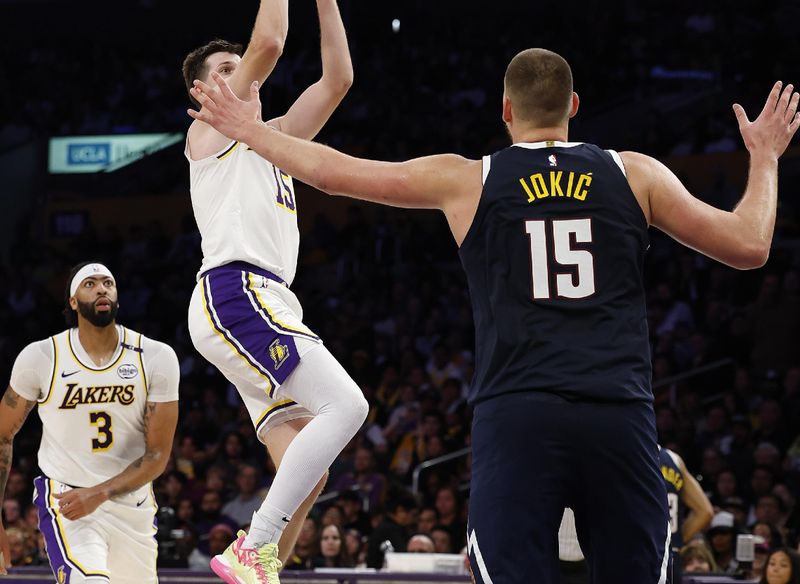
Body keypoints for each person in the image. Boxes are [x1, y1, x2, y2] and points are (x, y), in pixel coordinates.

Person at [188, 47, 800, 583]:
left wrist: (253, 131)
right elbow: (749, 245)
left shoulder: (469, 179)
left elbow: (337, 175)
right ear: (575, 105)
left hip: (518, 415)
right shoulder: (633, 172)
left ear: (505, 110)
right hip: (618, 413)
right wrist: (766, 156)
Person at [181, 0, 366, 582]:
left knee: (309, 465)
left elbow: (338, 79)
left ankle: (264, 568)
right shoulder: (209, 135)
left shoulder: (275, 139)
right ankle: (252, 545)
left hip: (264, 300)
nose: (243, 75)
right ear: (204, 93)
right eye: (227, 72)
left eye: (242, 70)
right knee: (348, 404)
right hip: (236, 292)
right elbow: (271, 40)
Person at [0, 261, 180, 582]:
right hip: (68, 502)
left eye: (108, 283)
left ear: (117, 297)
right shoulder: (42, 357)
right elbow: (2, 434)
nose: (101, 288)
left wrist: (100, 493)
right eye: (90, 283)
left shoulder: (155, 356)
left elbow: (157, 455)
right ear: (72, 301)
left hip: (133, 505)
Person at [660, 446, 714, 582]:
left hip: (639, 554)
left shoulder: (627, 455)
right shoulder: (673, 459)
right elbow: (705, 511)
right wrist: (676, 541)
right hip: (672, 557)